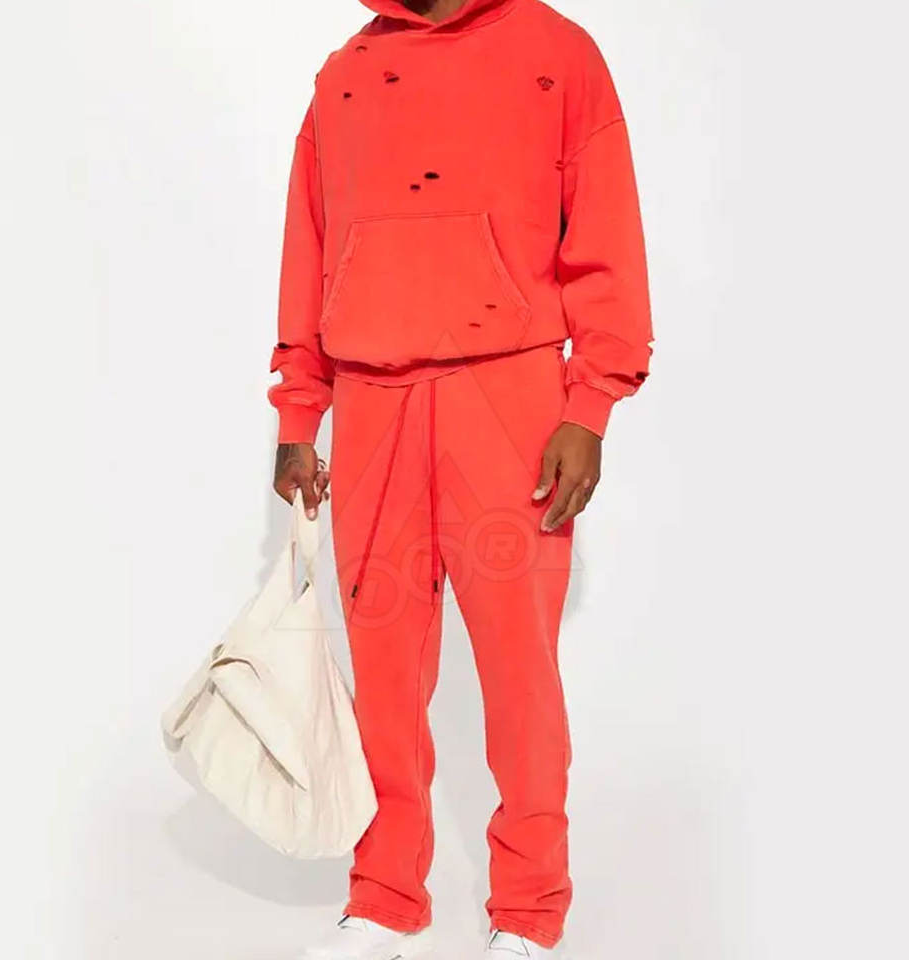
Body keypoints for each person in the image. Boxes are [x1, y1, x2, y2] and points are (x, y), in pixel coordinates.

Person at [270, 0, 651, 955]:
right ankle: (384, 894)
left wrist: (589, 406)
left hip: (509, 398)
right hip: (371, 400)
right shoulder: (344, 74)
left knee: (520, 672)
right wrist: (299, 411)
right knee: (383, 673)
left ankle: (529, 907)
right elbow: (308, 244)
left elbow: (607, 233)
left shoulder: (557, 53)